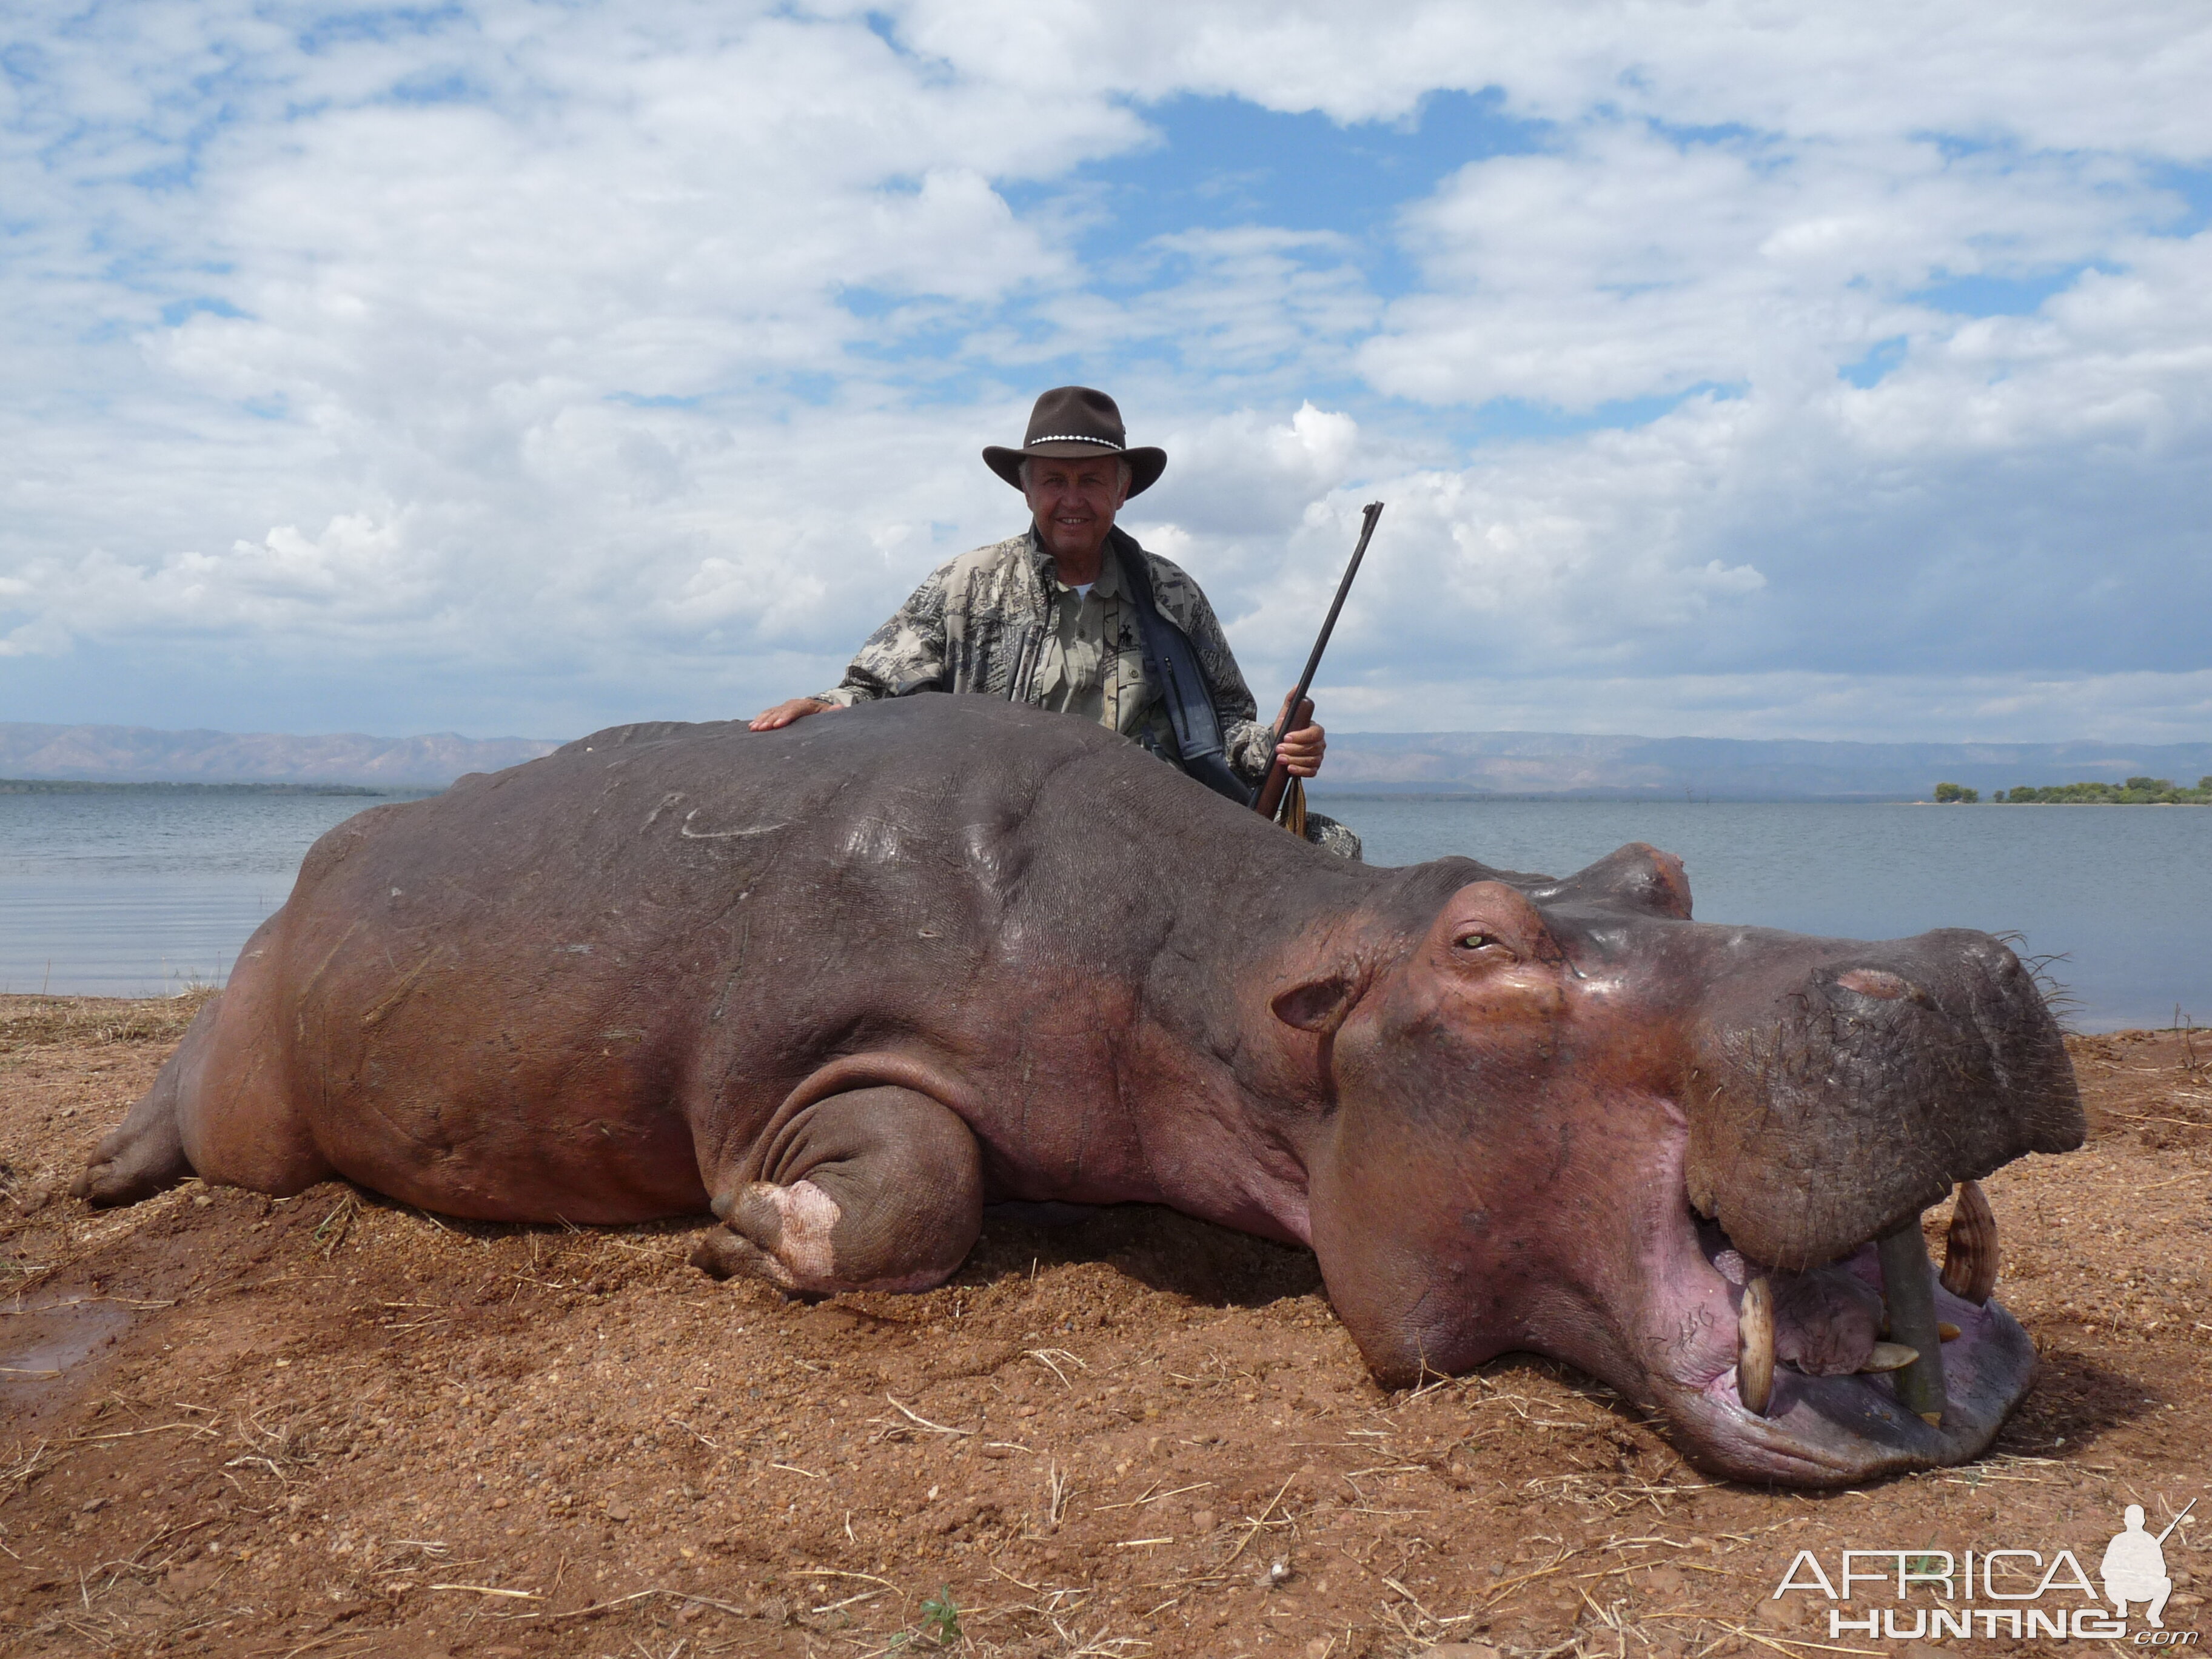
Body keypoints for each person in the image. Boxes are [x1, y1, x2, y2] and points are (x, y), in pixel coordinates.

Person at [751, 386, 1360, 858]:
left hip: (1153, 835)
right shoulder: (964, 585)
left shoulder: (1175, 594)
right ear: (1026, 488)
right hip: (996, 835)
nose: (1072, 500)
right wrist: (819, 708)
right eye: (1054, 481)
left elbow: (1230, 730)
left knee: (1337, 852)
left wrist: (1280, 744)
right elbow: (873, 695)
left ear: (1122, 491)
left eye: (1091, 481)